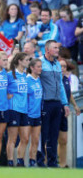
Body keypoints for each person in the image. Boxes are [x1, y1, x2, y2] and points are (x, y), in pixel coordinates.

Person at [39, 40, 70, 168]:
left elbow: (61, 86)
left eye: (58, 48)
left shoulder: (57, 64)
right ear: (47, 50)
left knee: (54, 134)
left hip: (57, 104)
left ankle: (52, 163)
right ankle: (40, 162)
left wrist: (65, 103)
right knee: (43, 134)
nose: (58, 50)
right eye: (55, 48)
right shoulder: (39, 63)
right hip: (45, 103)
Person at [6, 52, 30, 167]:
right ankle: (10, 161)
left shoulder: (26, 75)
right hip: (13, 108)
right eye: (26, 60)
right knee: (13, 138)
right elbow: (1, 89)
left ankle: (20, 161)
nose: (28, 62)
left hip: (24, 109)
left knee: (25, 138)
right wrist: (7, 96)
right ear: (19, 61)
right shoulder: (10, 75)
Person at [26, 59, 43, 167]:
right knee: (25, 140)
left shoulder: (40, 80)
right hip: (28, 114)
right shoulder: (27, 80)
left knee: (36, 140)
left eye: (41, 66)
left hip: (37, 114)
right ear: (32, 68)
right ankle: (20, 162)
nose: (40, 69)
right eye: (38, 66)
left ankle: (32, 162)